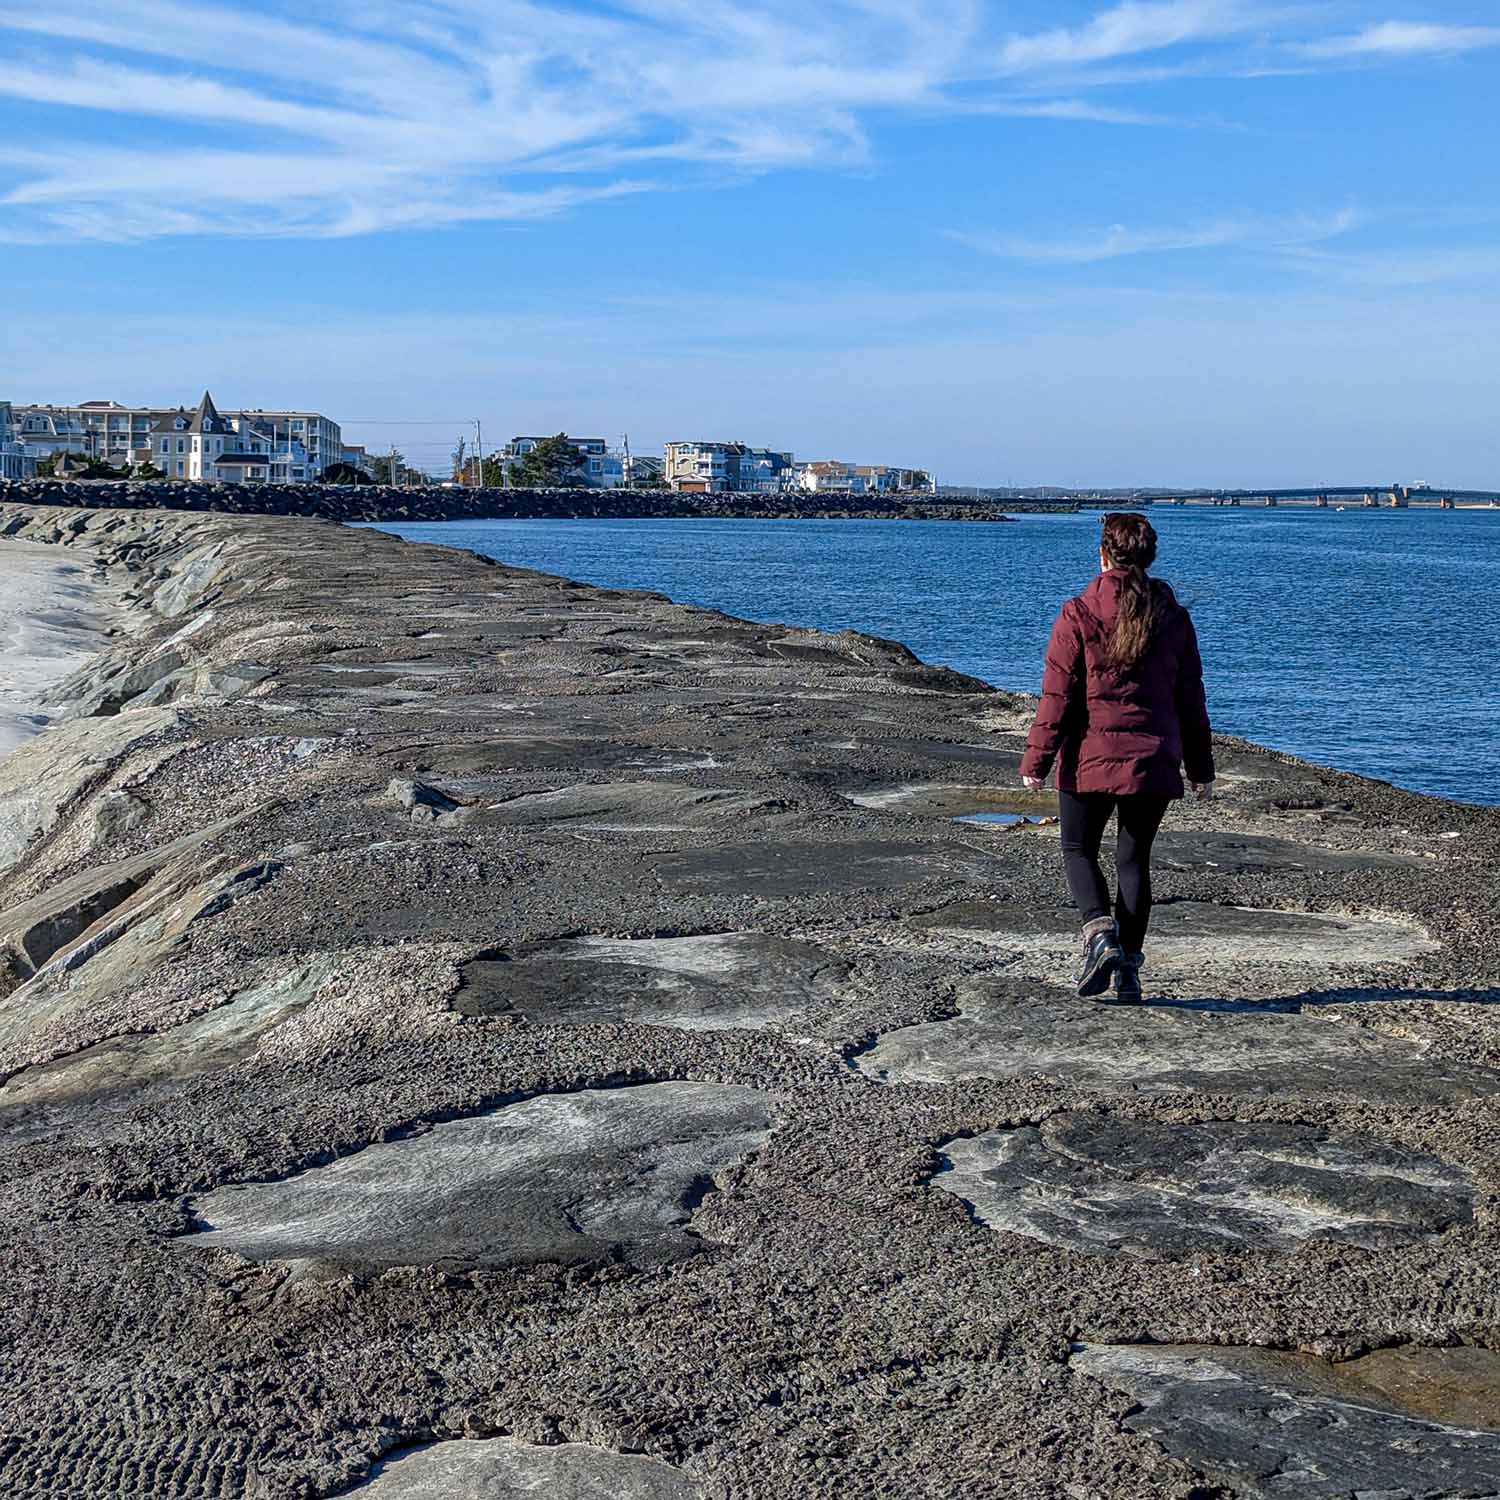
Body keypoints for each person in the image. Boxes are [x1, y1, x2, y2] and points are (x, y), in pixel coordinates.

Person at [1019, 513, 1214, 1002]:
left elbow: (1057, 696)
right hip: (1153, 758)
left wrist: (1035, 761)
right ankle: (1127, 970)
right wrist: (1201, 769)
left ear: (1104, 554)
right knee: (1134, 861)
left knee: (1077, 850)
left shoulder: (1078, 613)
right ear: (1149, 556)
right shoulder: (1173, 616)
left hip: (1090, 757)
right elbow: (1191, 700)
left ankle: (1100, 936)